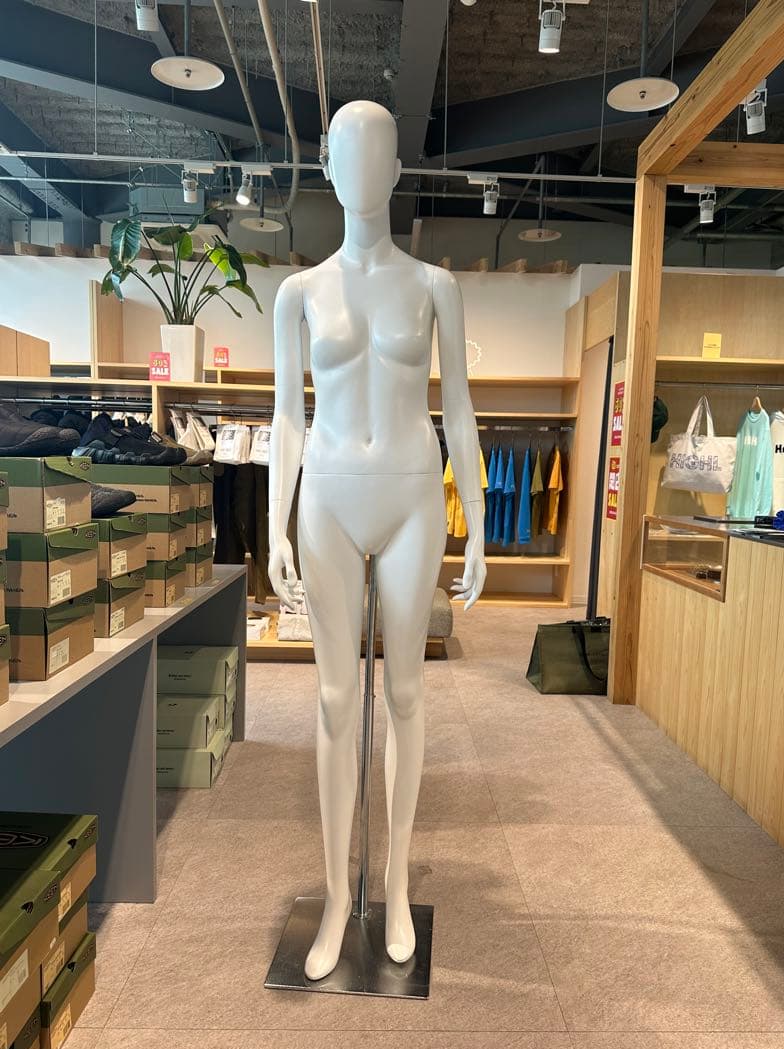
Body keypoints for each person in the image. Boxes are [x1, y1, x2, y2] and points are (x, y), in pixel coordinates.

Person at [267, 101, 486, 981]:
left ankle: (394, 886)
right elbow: (287, 417)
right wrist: (276, 522)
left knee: (403, 693)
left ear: (397, 170)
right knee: (331, 701)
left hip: (408, 495)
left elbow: (459, 408)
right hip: (326, 495)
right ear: (327, 167)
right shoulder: (298, 293)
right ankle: (333, 896)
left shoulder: (435, 287)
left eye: (378, 153)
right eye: (346, 153)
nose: (362, 168)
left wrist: (476, 521)